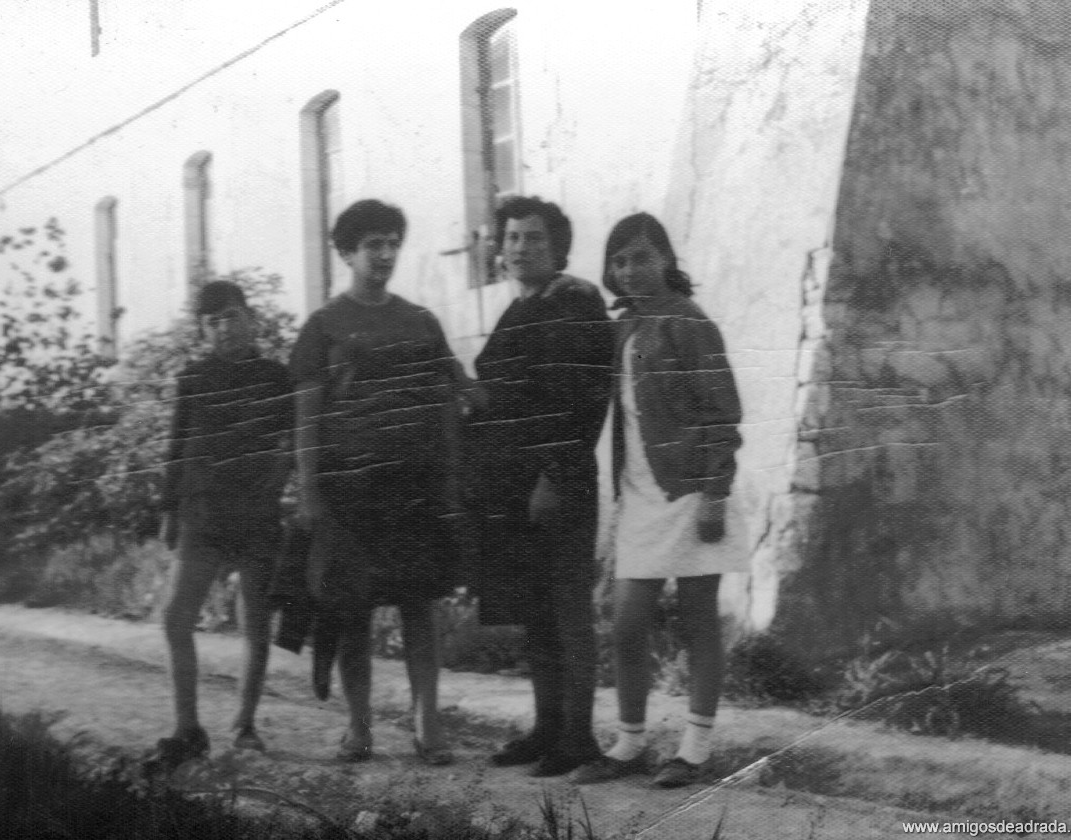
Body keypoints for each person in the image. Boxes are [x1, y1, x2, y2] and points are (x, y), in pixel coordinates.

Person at [569, 212, 744, 788]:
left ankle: (694, 749)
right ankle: (630, 743)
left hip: (692, 490)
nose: (630, 270)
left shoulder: (690, 322)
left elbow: (722, 414)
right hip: (641, 496)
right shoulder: (623, 328)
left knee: (698, 621)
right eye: (619, 261)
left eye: (642, 257)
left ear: (667, 259)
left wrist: (715, 493)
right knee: (627, 622)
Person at [290, 199, 461, 766]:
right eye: (372, 245)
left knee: (419, 605)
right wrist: (309, 493)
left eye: (392, 243)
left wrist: (448, 483)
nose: (385, 255)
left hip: (412, 487)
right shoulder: (323, 327)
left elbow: (444, 404)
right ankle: (358, 727)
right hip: (348, 492)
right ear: (346, 253)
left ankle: (427, 723)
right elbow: (307, 417)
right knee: (351, 610)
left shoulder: (420, 321)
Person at [467, 195, 615, 777]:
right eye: (512, 237)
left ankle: (578, 739)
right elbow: (509, 395)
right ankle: (547, 730)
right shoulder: (522, 306)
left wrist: (555, 475)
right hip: (515, 483)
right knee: (536, 610)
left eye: (534, 238)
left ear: (558, 247)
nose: (520, 247)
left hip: (559, 482)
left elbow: (583, 399)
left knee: (567, 609)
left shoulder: (575, 302)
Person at [151, 280, 293, 772]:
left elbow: (293, 440)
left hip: (256, 515)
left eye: (231, 316)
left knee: (255, 625)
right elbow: (177, 445)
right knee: (174, 618)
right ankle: (187, 727)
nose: (223, 328)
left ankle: (245, 724)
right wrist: (169, 510)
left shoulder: (276, 376)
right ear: (202, 330)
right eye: (212, 322)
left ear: (250, 318)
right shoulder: (193, 377)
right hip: (202, 514)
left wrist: (278, 480)